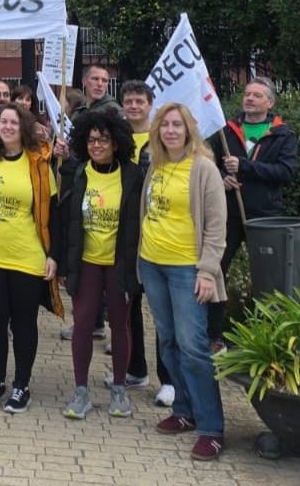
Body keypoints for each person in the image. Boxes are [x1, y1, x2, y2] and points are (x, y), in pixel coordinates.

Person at [138, 102, 228, 461]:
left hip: (187, 269)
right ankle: (184, 411)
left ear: (190, 130)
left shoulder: (203, 168)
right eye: (165, 125)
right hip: (153, 264)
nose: (171, 131)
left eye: (178, 125)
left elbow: (217, 226)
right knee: (169, 343)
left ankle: (211, 428)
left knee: (194, 348)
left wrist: (207, 272)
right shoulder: (156, 166)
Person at [0, 105, 62, 414]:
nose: (7, 126)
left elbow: (53, 211)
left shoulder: (39, 163)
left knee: (23, 324)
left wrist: (53, 256)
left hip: (27, 257)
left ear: (24, 126)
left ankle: (22, 384)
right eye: (3, 121)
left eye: (14, 122)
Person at [60, 112, 142, 420]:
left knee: (120, 326)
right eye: (91, 139)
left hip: (120, 263)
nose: (97, 145)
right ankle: (81, 390)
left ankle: (119, 389)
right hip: (86, 262)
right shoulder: (79, 173)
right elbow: (66, 220)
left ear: (117, 143)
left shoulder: (133, 176)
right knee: (82, 324)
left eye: (104, 139)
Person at [209, 76, 297, 353]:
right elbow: (207, 164)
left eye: (257, 95)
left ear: (270, 102)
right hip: (229, 215)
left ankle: (268, 338)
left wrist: (245, 167)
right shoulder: (225, 131)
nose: (249, 98)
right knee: (216, 272)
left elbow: (286, 173)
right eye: (247, 94)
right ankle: (213, 335)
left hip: (265, 217)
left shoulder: (283, 135)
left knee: (268, 278)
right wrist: (222, 177)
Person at [119, 79, 173, 406]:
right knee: (129, 307)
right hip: (125, 232)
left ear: (150, 104)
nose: (134, 106)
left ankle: (168, 379)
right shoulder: (118, 136)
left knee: (162, 311)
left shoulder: (161, 139)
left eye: (140, 101)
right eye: (129, 101)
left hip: (155, 230)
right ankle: (135, 369)